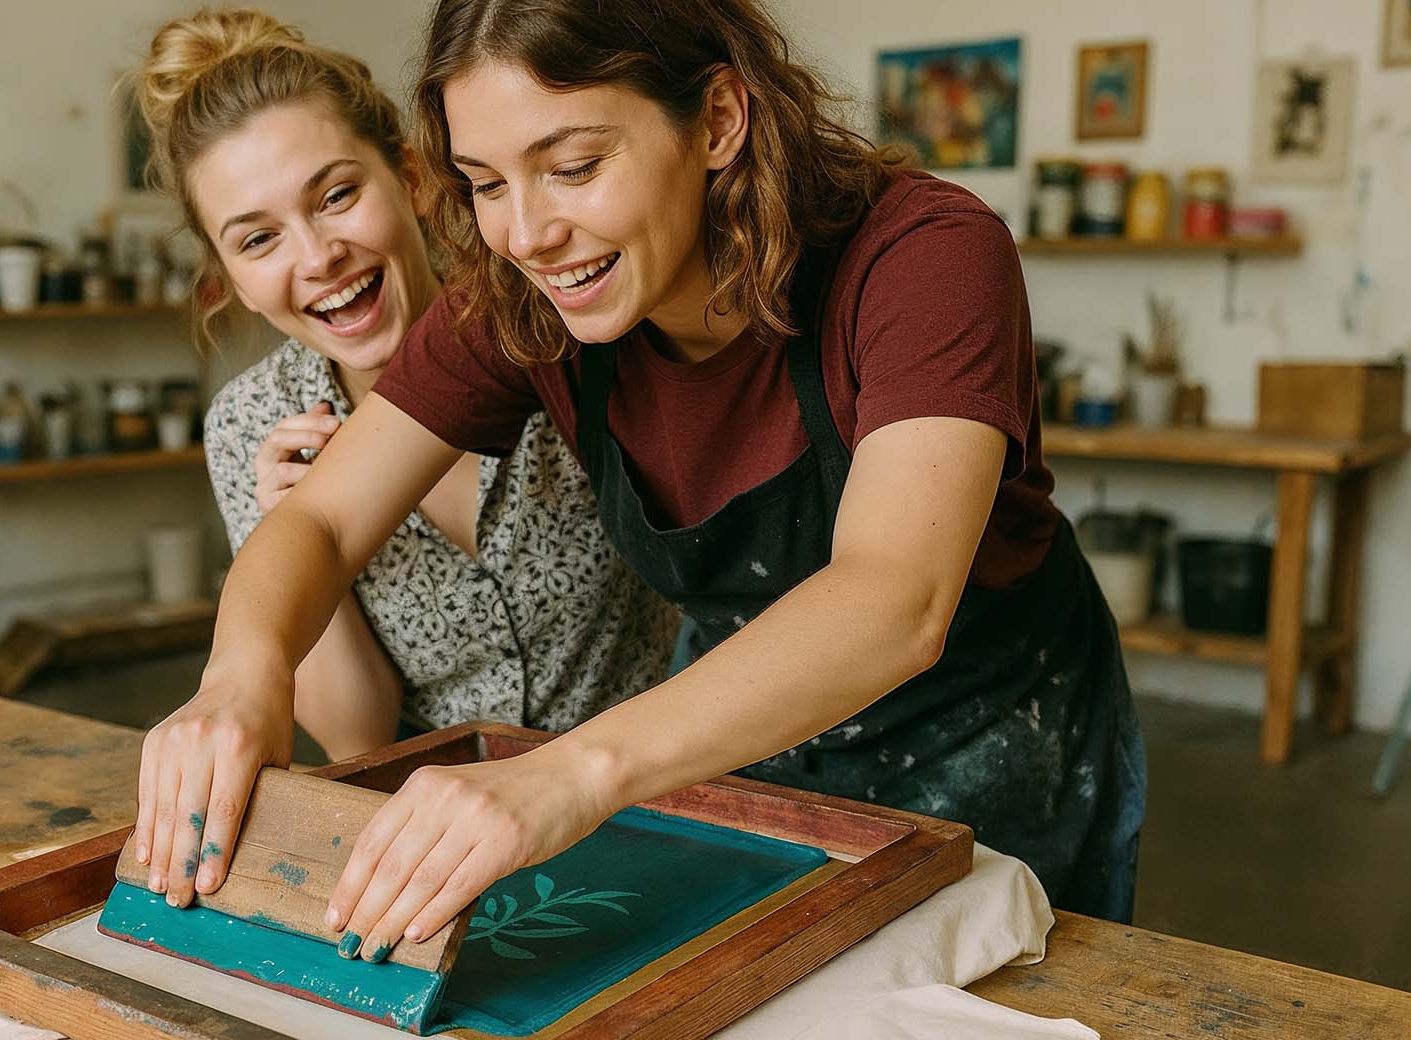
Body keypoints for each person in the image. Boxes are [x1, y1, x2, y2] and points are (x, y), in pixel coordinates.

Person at [135, 0, 1145, 961]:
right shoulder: (524, 300)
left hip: (992, 728)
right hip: (732, 725)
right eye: (485, 183)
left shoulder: (921, 258)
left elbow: (894, 598)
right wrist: (240, 679)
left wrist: (568, 773)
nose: (526, 234)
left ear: (714, 118)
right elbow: (317, 519)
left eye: (571, 166)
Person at [131, 10, 678, 797]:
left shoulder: (554, 314)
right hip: (438, 822)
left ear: (413, 178)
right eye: (258, 240)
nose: (318, 257)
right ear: (229, 280)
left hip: (653, 787)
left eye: (337, 195)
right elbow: (359, 734)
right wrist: (288, 535)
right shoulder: (255, 422)